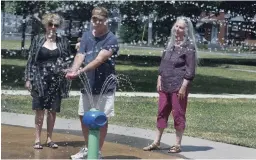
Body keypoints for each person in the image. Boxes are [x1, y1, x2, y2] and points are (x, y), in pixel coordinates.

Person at [65, 7, 119, 159]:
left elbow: (99, 60)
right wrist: (73, 70)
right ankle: (89, 148)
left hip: (104, 86)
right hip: (88, 84)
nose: (96, 22)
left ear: (106, 20)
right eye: (94, 19)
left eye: (100, 20)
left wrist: (80, 72)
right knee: (84, 116)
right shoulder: (87, 36)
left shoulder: (111, 39)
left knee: (100, 118)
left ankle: (97, 151)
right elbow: (80, 55)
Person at [143, 16, 197, 153]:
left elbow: (190, 70)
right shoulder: (170, 43)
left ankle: (177, 144)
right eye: (176, 26)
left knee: (178, 113)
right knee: (161, 112)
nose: (177, 29)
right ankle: (156, 141)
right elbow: (164, 63)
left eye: (181, 27)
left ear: (186, 30)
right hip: (165, 84)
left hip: (178, 86)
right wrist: (159, 77)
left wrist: (184, 86)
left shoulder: (189, 47)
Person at [24, 13, 72, 149]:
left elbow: (68, 59)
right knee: (39, 109)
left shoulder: (63, 41)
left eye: (55, 25)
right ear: (45, 25)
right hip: (39, 78)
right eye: (50, 24)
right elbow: (30, 61)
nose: (52, 27)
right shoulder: (38, 39)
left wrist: (68, 70)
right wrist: (28, 78)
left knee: (52, 110)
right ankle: (37, 139)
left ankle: (50, 138)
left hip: (56, 80)